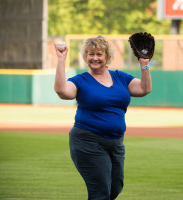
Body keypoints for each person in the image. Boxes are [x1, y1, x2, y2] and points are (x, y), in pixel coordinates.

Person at [54, 35, 152, 200]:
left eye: (99, 54)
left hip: (116, 143)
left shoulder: (120, 77)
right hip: (88, 141)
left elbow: (144, 89)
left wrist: (144, 64)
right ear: (86, 57)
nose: (95, 58)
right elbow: (62, 91)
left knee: (114, 189)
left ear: (107, 57)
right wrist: (61, 60)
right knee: (100, 193)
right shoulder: (80, 80)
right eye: (90, 54)